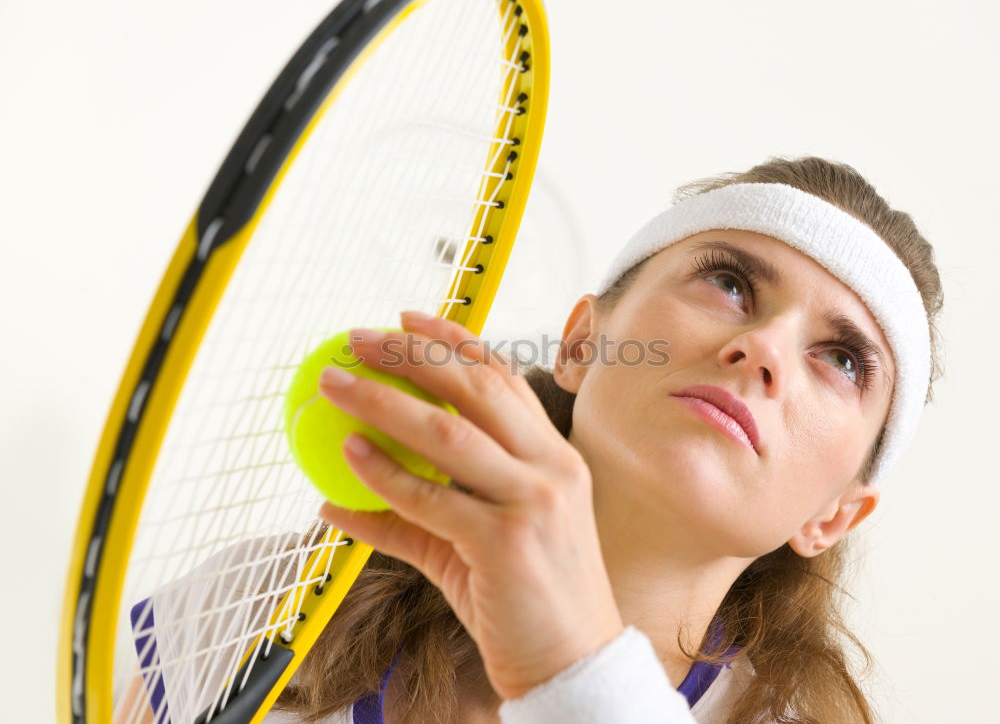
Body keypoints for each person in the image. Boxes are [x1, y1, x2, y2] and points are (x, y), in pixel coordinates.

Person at [268, 156, 944, 723]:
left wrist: (573, 671)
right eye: (729, 284)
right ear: (582, 344)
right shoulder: (283, 607)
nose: (763, 346)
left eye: (843, 359)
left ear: (834, 516)